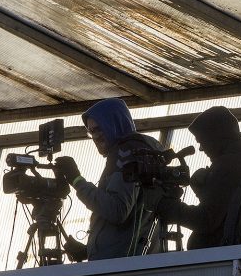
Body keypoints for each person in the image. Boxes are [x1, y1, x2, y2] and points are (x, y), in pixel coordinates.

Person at [158, 106, 241, 249]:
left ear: (217, 137)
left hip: (219, 261)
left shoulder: (228, 166)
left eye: (202, 141)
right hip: (238, 255)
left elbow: (206, 220)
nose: (201, 149)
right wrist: (203, 191)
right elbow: (228, 214)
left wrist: (169, 207)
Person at [54, 98, 165, 261]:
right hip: (131, 262)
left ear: (114, 124)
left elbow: (117, 210)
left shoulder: (125, 154)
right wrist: (89, 250)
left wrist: (76, 180)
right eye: (91, 132)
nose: (95, 136)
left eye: (99, 129)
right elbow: (133, 227)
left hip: (119, 268)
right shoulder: (143, 152)